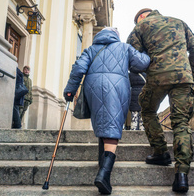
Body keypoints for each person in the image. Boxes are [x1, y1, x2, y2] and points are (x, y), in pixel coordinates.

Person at [63, 27, 150, 194]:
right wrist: (146, 49)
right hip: (117, 86)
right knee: (111, 126)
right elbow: (142, 63)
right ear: (116, 36)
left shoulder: (90, 49)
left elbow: (78, 69)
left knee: (103, 121)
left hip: (93, 86)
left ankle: (101, 162)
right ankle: (104, 175)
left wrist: (70, 90)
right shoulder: (125, 48)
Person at [127, 8, 194, 193]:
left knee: (147, 109)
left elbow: (132, 57)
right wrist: (192, 73)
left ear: (142, 17)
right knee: (181, 122)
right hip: (183, 77)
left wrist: (148, 69)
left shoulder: (140, 27)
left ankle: (160, 152)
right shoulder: (179, 21)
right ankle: (182, 174)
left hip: (157, 77)